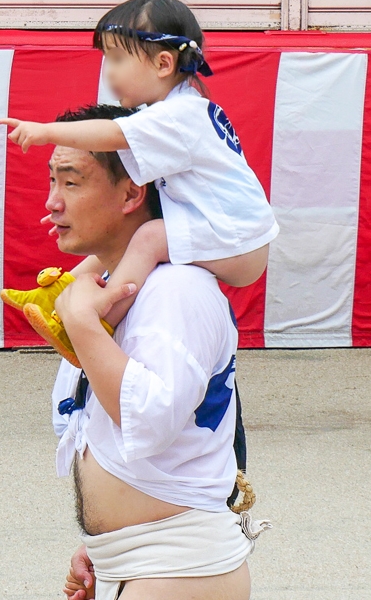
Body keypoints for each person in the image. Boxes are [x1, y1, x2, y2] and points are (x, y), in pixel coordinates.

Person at [27, 115, 271, 600]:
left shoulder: (176, 290)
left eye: (71, 182)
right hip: (141, 565)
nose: (53, 202)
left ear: (132, 194)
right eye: (52, 181)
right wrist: (101, 547)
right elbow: (95, 432)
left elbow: (148, 419)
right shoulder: (109, 290)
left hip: (180, 569)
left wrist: (79, 324)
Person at [0, 0, 278, 366]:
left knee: (147, 237)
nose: (108, 72)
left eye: (117, 59)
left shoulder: (178, 115)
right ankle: (55, 294)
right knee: (129, 234)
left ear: (163, 63)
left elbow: (114, 134)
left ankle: (98, 319)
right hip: (235, 233)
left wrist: (48, 132)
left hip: (237, 240)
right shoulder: (179, 110)